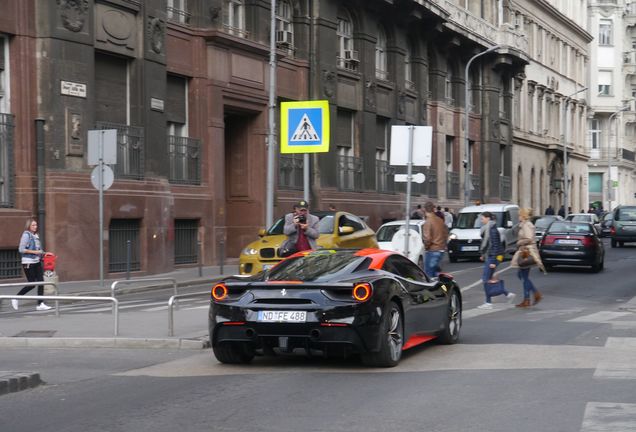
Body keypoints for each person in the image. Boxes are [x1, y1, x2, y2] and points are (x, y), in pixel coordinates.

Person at [477, 211, 515, 309]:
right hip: (490, 256)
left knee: (485, 279)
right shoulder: (488, 229)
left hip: (493, 257)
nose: (481, 220)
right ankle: (507, 294)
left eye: (482, 218)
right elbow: (488, 244)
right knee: (487, 279)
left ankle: (488, 303)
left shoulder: (492, 230)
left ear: (488, 218)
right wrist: (483, 254)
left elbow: (495, 246)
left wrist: (493, 261)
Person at [13, 218, 51, 311]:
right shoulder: (26, 235)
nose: (35, 227)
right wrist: (35, 252)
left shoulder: (36, 236)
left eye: (36, 225)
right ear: (29, 226)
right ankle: (16, 297)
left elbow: (39, 250)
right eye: (33, 225)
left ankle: (40, 303)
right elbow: (21, 249)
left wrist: (45, 253)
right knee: (32, 284)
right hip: (28, 262)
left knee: (41, 282)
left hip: (37, 261)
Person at [511, 208, 545, 308]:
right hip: (525, 251)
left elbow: (529, 238)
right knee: (522, 275)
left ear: (523, 216)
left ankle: (533, 295)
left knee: (523, 276)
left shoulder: (527, 225)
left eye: (519, 215)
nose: (518, 217)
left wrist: (519, 242)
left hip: (526, 252)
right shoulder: (524, 225)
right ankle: (529, 297)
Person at [422, 201, 448, 278]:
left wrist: (426, 247)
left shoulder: (428, 222)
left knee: (429, 275)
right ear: (433, 209)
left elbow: (427, 239)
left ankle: (434, 289)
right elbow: (446, 233)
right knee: (435, 273)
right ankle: (444, 287)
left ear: (424, 210)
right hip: (441, 249)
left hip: (432, 250)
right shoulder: (440, 220)